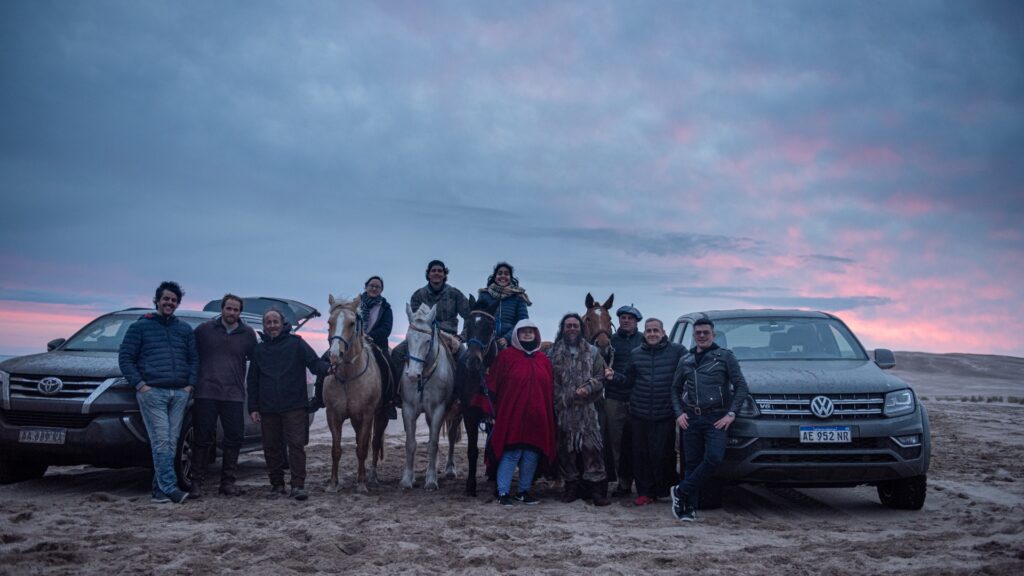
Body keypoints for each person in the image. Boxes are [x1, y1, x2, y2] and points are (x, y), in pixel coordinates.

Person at [118, 281, 198, 504]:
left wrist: (190, 385)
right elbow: (126, 358)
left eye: (173, 300)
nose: (169, 303)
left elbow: (194, 359)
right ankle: (170, 488)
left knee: (171, 442)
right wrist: (141, 385)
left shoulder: (184, 329)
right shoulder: (140, 327)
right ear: (157, 301)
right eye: (166, 299)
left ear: (177, 303)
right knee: (162, 440)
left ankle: (159, 489)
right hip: (153, 392)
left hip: (180, 393)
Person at [247, 308, 330, 501]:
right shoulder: (259, 349)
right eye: (268, 322)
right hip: (268, 408)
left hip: (294, 406)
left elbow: (314, 364)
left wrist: (330, 369)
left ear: (283, 323)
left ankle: (298, 486)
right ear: (264, 326)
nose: (272, 325)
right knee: (271, 447)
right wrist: (253, 407)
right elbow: (253, 381)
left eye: (275, 321)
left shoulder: (297, 343)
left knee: (296, 446)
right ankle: (277, 486)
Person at [671, 318, 750, 522]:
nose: (702, 336)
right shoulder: (686, 360)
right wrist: (679, 413)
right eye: (698, 333)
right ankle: (688, 508)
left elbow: (741, 387)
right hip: (691, 418)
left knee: (714, 458)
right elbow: (675, 389)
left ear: (714, 335)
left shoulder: (725, 357)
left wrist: (731, 414)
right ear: (694, 336)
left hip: (717, 418)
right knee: (691, 463)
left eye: (706, 332)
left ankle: (680, 491)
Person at [191, 293, 257, 499]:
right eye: (229, 308)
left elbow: (256, 363)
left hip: (234, 394)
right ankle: (196, 483)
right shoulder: (204, 331)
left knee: (234, 438)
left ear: (240, 312)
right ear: (222, 309)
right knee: (202, 439)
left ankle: (227, 483)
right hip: (206, 393)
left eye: (236, 310)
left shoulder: (247, 334)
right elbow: (191, 357)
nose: (232, 313)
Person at [484, 319, 556, 506]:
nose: (527, 335)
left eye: (530, 332)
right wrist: (491, 411)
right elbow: (492, 384)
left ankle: (523, 491)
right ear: (516, 334)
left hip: (536, 417)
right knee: (511, 453)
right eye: (523, 332)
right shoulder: (506, 357)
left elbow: (549, 390)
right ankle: (503, 492)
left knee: (531, 454)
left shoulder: (543, 360)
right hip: (511, 415)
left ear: (536, 335)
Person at [550, 313, 610, 506]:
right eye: (568, 326)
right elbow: (548, 380)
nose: (572, 329)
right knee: (566, 449)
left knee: (592, 448)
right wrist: (562, 397)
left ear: (581, 328)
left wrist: (588, 388)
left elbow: (601, 377)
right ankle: (571, 487)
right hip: (564, 409)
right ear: (563, 328)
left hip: (587, 410)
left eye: (575, 325)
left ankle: (597, 491)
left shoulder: (592, 352)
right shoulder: (553, 352)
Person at [310, 276, 394, 414]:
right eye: (371, 285)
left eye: (377, 287)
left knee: (388, 364)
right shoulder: (354, 305)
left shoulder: (385, 308)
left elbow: (386, 328)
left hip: (375, 343)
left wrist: (369, 336)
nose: (374, 288)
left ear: (381, 290)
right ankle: (318, 397)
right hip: (351, 341)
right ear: (365, 287)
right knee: (326, 359)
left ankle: (389, 401)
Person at [624, 318, 685, 506]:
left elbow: (688, 376)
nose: (652, 334)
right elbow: (628, 380)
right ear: (644, 333)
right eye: (648, 331)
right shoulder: (636, 354)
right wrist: (613, 377)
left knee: (663, 454)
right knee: (641, 455)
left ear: (663, 332)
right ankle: (644, 492)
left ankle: (664, 489)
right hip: (639, 412)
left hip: (665, 412)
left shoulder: (677, 352)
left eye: (655, 330)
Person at [603, 304, 643, 497]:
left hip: (638, 398)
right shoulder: (610, 341)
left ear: (636, 321)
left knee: (638, 441)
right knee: (615, 442)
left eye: (630, 318)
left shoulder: (644, 340)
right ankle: (623, 483)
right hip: (614, 398)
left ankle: (641, 482)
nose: (626, 320)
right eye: (623, 317)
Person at [476, 262, 530, 348]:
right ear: (495, 277)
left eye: (506, 274)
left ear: (511, 278)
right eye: (500, 273)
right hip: (486, 340)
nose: (503, 276)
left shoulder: (518, 297)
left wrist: (507, 338)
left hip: (511, 341)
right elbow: (477, 318)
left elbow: (522, 321)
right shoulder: (485, 295)